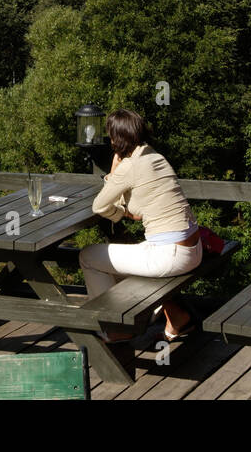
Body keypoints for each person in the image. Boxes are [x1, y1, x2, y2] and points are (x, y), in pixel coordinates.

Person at [78, 109, 201, 342]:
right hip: (194, 250)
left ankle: (115, 327)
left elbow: (100, 206)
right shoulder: (156, 157)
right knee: (126, 257)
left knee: (88, 256)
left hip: (170, 255)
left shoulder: (130, 166)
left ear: (117, 138)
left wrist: (120, 211)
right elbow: (137, 203)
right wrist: (122, 198)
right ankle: (172, 315)